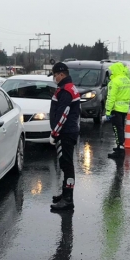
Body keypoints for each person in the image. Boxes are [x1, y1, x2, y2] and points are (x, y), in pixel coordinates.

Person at [49, 62, 81, 211]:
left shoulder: (66, 91)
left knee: (67, 165)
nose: (54, 78)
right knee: (64, 163)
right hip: (67, 131)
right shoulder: (66, 88)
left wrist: (55, 133)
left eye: (55, 75)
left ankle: (68, 199)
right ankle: (65, 193)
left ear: (61, 74)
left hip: (66, 133)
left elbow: (64, 113)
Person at [104, 62, 130, 160]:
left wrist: (108, 111)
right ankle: (120, 146)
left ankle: (120, 150)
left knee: (116, 129)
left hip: (116, 109)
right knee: (121, 128)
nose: (111, 72)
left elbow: (111, 97)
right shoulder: (127, 80)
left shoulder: (114, 81)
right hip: (124, 108)